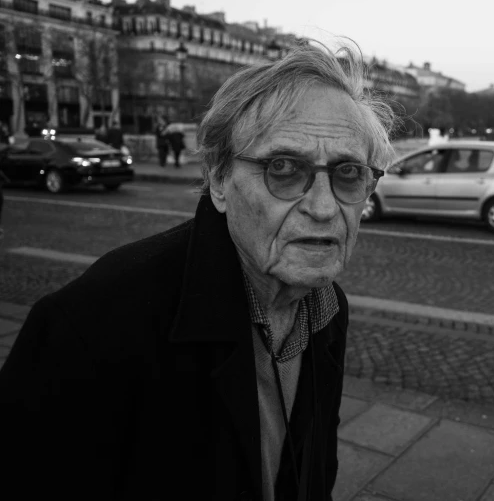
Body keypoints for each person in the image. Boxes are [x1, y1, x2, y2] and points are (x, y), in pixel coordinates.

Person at [0, 43, 397, 500]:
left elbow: (312, 467)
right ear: (218, 179)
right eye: (283, 168)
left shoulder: (327, 307)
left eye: (348, 172)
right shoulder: (93, 328)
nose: (325, 208)